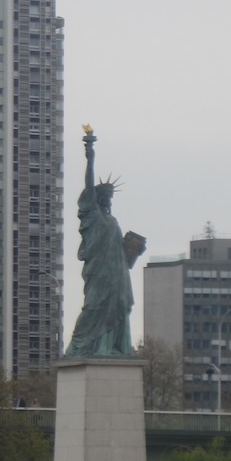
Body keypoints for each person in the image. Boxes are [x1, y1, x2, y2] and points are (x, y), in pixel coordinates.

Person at [66, 128, 146, 357]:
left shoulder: (113, 220)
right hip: (98, 272)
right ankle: (80, 344)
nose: (108, 201)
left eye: (111, 198)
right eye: (105, 197)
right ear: (97, 198)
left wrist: (133, 250)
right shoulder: (91, 214)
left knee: (119, 305)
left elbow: (118, 250)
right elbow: (89, 185)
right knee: (93, 307)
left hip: (117, 273)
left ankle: (111, 347)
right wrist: (90, 156)